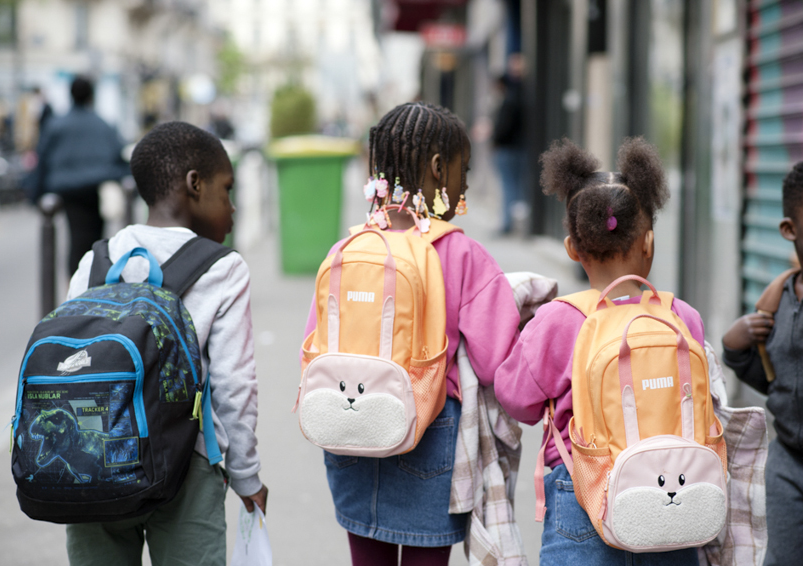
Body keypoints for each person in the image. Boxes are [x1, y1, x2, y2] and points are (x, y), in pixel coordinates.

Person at [302, 101, 521, 566]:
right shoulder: (461, 253)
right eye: (463, 171)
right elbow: (494, 361)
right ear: (440, 169)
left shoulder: (347, 248)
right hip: (427, 435)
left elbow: (315, 342)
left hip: (347, 430)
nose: (464, 185)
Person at [63, 121, 267, 566]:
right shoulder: (222, 268)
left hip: (92, 456)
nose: (232, 208)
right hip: (186, 464)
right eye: (226, 190)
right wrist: (246, 477)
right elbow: (235, 386)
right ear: (195, 185)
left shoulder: (96, 259)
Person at [494, 138, 705, 565]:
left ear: (573, 249)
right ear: (647, 242)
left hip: (582, 493)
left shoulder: (560, 320)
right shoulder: (681, 316)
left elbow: (515, 398)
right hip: (674, 490)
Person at [721, 161, 803, 566]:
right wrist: (735, 351)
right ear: (790, 230)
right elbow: (777, 381)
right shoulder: (779, 303)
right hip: (787, 459)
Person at [33, 75, 128, 275]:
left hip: (68, 189)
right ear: (91, 96)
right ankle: (93, 283)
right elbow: (119, 156)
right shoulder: (103, 124)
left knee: (76, 238)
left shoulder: (57, 125)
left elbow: (42, 158)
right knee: (97, 239)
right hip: (97, 187)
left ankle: (76, 285)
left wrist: (36, 192)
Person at [492, 53, 528, 235]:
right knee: (517, 187)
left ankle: (509, 224)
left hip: (509, 149)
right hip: (519, 148)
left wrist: (494, 138)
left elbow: (504, 127)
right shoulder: (524, 93)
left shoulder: (512, 97)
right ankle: (515, 223)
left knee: (510, 187)